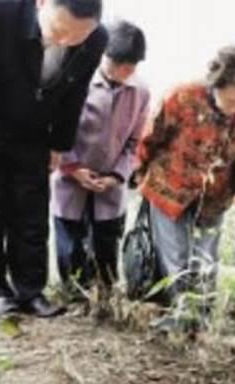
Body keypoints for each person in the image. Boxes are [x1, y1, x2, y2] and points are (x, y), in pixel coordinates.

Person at [0, 0, 107, 317]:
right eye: (59, 31)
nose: (64, 41)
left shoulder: (96, 38)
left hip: (35, 132)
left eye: (76, 37)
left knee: (31, 211)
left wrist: (59, 145)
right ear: (42, 4)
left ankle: (30, 291)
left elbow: (75, 95)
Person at [136, 45, 235, 331]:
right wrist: (141, 172)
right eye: (231, 100)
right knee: (175, 255)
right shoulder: (182, 95)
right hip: (168, 186)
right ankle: (180, 316)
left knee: (207, 258)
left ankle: (202, 317)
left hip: (215, 194)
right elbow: (151, 136)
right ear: (217, 82)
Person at [52, 20, 150, 300]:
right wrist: (72, 167)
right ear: (103, 56)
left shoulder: (140, 92)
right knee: (70, 244)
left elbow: (135, 142)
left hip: (110, 182)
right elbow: (54, 128)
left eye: (130, 67)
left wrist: (117, 175)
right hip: (71, 175)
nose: (122, 72)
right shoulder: (75, 78)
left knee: (107, 243)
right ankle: (73, 298)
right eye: (116, 64)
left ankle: (105, 298)